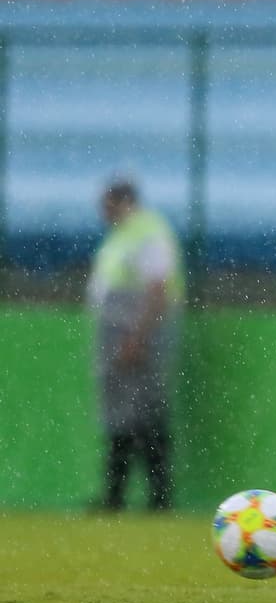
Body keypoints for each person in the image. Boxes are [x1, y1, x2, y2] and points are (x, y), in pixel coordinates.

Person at [86, 178, 185, 511]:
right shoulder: (124, 234)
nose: (102, 212)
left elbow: (158, 289)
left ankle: (154, 497)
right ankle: (119, 495)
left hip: (136, 335)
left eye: (107, 204)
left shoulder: (147, 232)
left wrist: (137, 338)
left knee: (144, 416)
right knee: (124, 417)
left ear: (123, 201)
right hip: (121, 335)